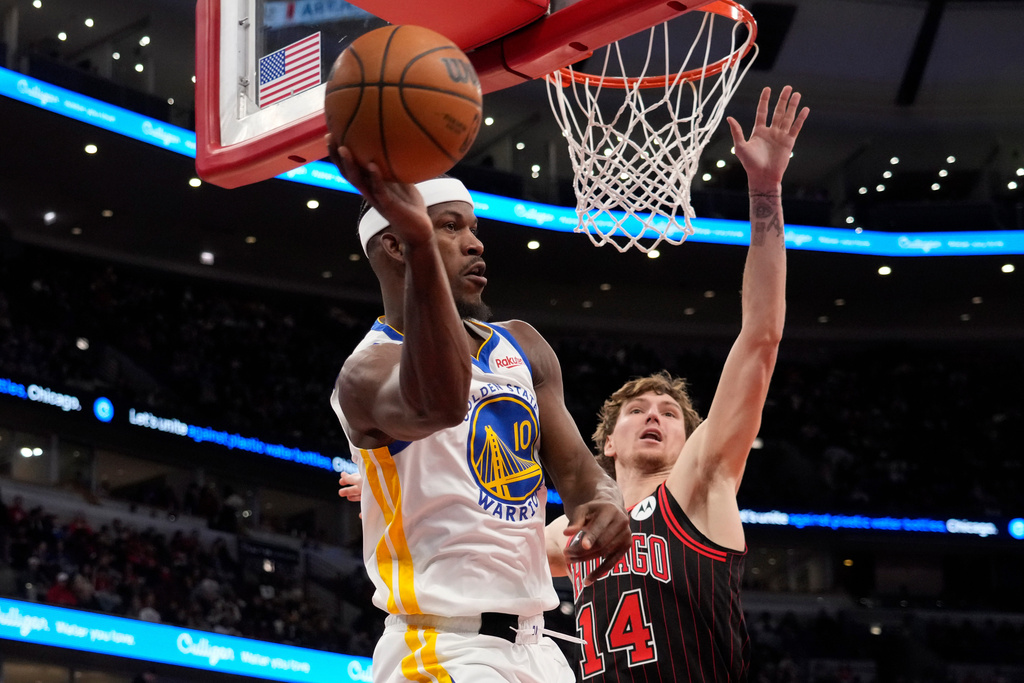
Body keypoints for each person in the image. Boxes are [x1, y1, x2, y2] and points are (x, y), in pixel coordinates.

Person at [326, 134, 632, 682]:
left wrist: (605, 504)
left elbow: (580, 473)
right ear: (397, 245)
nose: (475, 244)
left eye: (472, 228)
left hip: (538, 647)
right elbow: (438, 403)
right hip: (442, 646)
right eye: (449, 227)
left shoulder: (523, 345)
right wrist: (423, 245)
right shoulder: (367, 372)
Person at [545, 85, 808, 681]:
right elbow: (483, 540)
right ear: (607, 443)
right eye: (638, 410)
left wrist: (765, 192)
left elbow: (761, 338)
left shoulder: (698, 482)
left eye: (669, 411)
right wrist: (397, 482)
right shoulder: (577, 528)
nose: (656, 415)